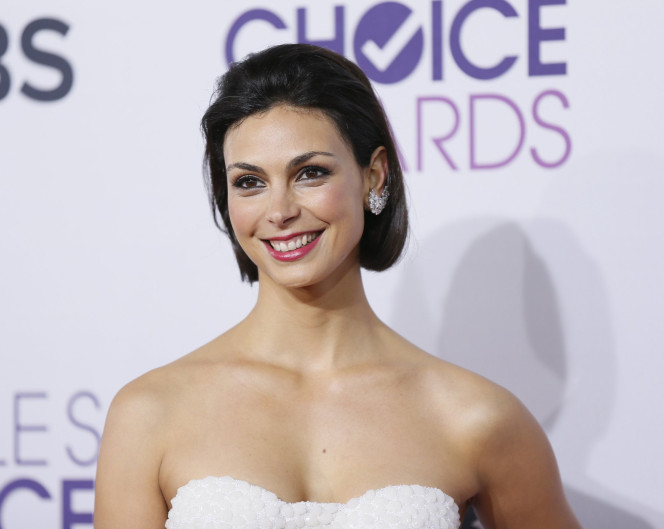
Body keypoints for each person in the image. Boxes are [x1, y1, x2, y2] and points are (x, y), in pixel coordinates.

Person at [94, 44, 581, 529]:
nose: (279, 211)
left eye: (310, 173)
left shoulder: (476, 416)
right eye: (249, 182)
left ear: (374, 176)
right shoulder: (149, 413)